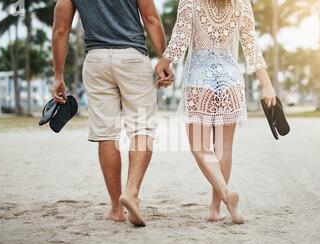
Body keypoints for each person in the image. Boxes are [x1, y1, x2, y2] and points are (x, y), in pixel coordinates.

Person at [52, 0, 174, 227]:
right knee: (141, 127)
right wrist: (163, 60)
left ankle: (117, 209)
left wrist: (58, 75)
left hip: (96, 60)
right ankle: (131, 192)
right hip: (132, 57)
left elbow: (61, 29)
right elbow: (151, 18)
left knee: (106, 133)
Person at [155, 0, 277, 224]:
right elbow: (251, 46)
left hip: (200, 81)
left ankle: (226, 193)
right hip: (231, 81)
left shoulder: (190, 1)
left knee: (200, 148)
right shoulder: (241, 3)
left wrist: (162, 63)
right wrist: (267, 85)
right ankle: (215, 209)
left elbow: (180, 39)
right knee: (224, 148)